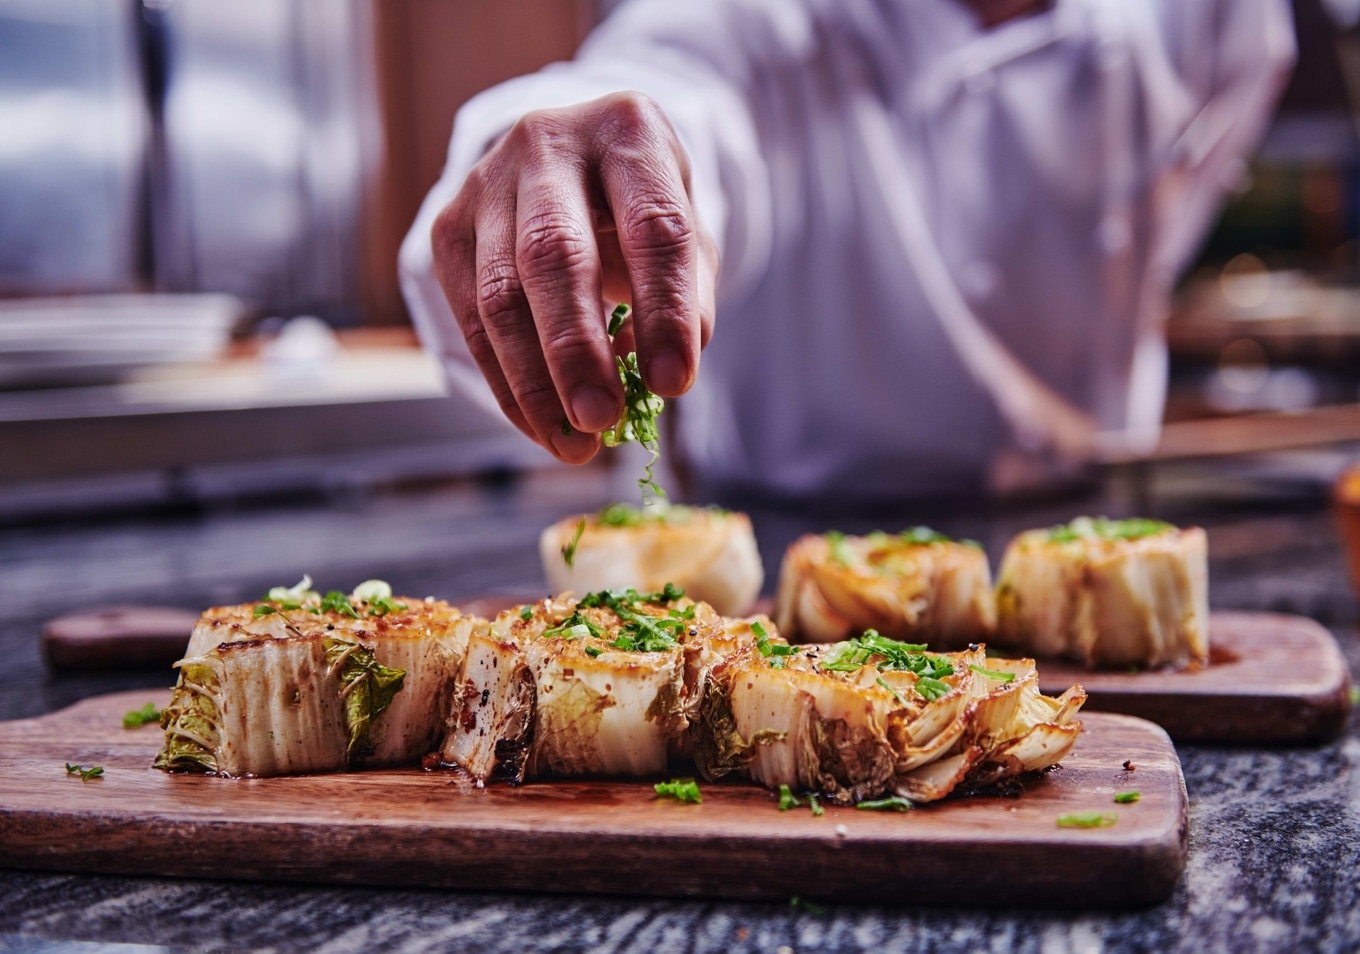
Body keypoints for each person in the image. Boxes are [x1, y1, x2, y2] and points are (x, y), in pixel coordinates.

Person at [399, 0, 1295, 499]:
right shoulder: (744, 22)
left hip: (1094, 521)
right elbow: (663, 95)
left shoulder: (1219, 21)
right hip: (784, 558)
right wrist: (548, 167)